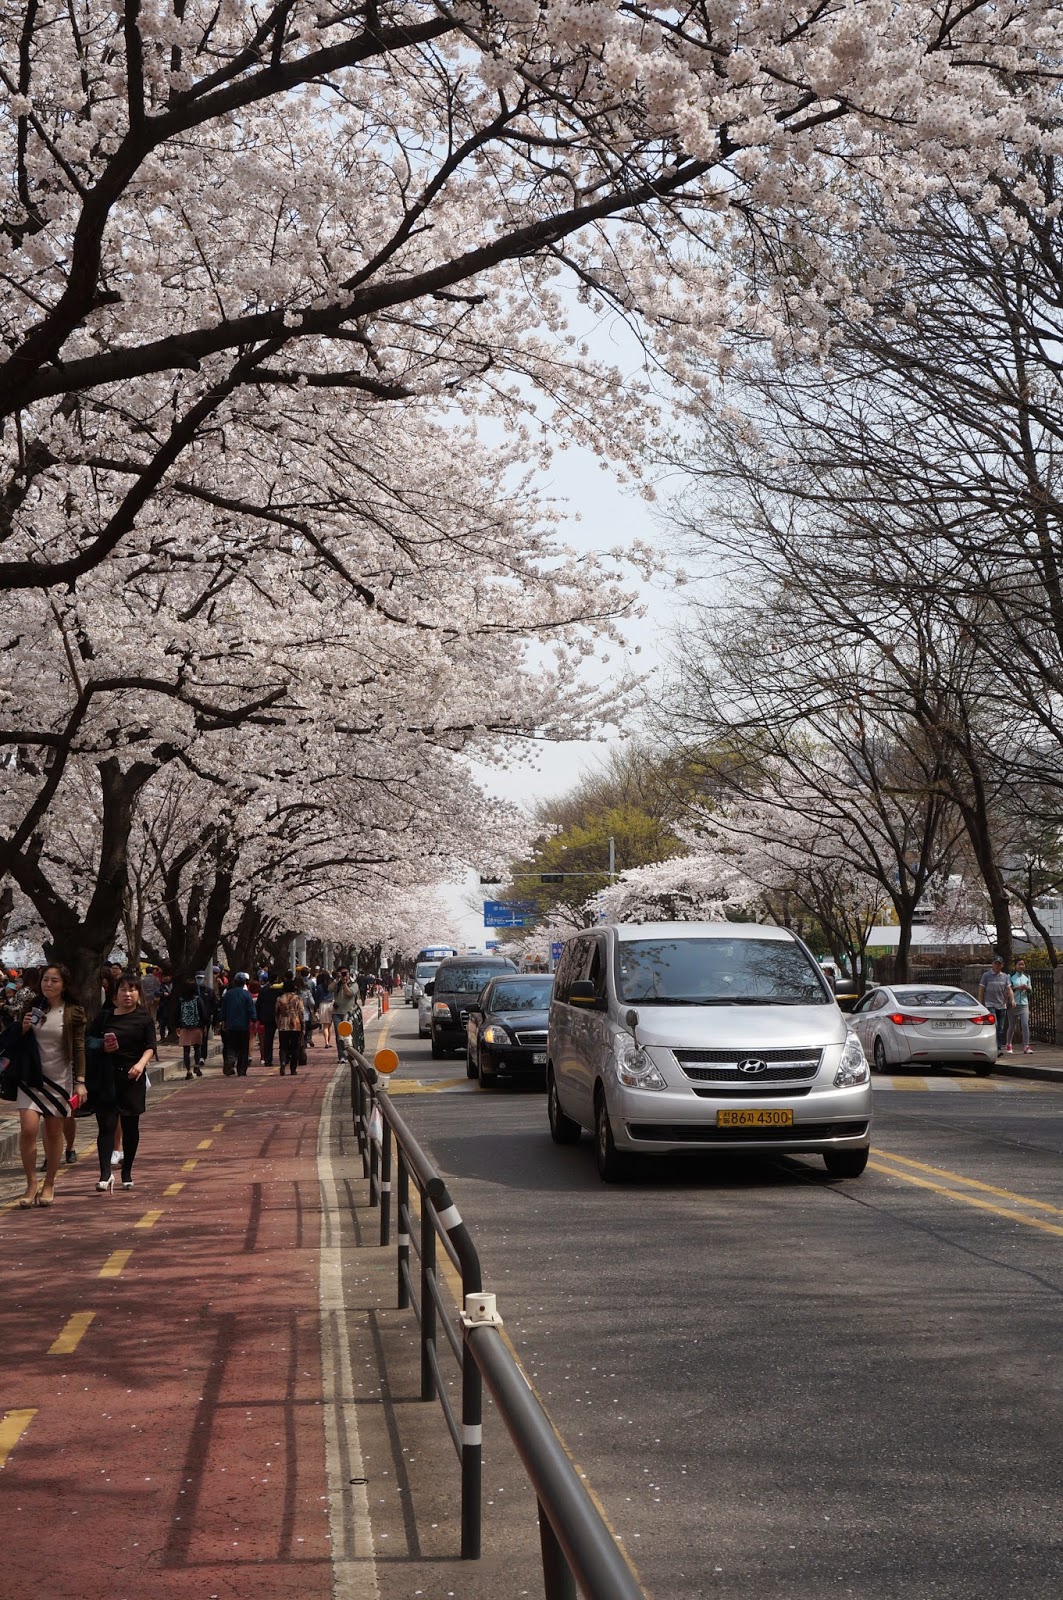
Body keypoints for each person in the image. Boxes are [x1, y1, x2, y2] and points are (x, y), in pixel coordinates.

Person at [15, 964, 86, 1208]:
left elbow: (78, 1048)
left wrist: (80, 1082)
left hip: (59, 1079)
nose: (48, 984)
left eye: (54, 980)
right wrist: (22, 1029)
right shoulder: (33, 1007)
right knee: (28, 1129)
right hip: (31, 1078)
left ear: (64, 984)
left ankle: (50, 1182)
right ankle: (31, 1182)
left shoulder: (73, 1012)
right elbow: (18, 1041)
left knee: (54, 1132)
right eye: (45, 980)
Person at [86, 970, 155, 1192]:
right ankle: (105, 1173)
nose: (128, 994)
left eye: (132, 989)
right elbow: (88, 1040)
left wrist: (141, 1064)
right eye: (123, 989)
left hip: (132, 1077)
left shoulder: (144, 1017)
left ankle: (127, 1172)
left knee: (130, 1126)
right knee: (105, 1126)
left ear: (138, 993)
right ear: (115, 994)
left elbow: (150, 1046)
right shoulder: (105, 1016)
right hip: (106, 1077)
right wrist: (101, 1045)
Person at [218, 972, 257, 1076]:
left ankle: (230, 1059)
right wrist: (254, 1019)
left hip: (230, 1026)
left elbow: (223, 1010)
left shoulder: (228, 994)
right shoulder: (247, 995)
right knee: (244, 1049)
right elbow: (251, 1010)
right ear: (244, 982)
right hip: (244, 1026)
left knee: (231, 1046)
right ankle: (241, 1070)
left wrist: (222, 1021)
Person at [978, 956, 1014, 1057]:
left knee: (1001, 1028)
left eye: (999, 964)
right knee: (995, 1025)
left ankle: (998, 1048)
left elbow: (1009, 989)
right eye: (995, 963)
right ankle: (994, 1046)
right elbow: (981, 989)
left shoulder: (1005, 976)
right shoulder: (986, 976)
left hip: (1001, 1005)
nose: (997, 966)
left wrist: (1012, 999)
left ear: (1002, 965)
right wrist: (981, 1003)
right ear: (993, 964)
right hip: (990, 1003)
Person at [176, 978, 209, 1077]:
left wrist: (177, 1026)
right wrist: (204, 1026)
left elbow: (177, 1014)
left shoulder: (180, 1000)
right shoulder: (197, 999)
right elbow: (203, 1014)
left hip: (184, 1027)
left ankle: (188, 1071)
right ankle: (196, 1066)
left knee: (186, 1050)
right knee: (197, 1047)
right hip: (197, 1026)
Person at [275, 978, 304, 1076]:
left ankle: (283, 1062)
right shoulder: (297, 998)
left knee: (283, 1046)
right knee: (295, 1047)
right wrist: (303, 1025)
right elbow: (301, 1012)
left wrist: (278, 1023)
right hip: (295, 1024)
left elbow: (276, 1012)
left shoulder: (279, 999)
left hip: (283, 1024)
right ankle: (293, 1069)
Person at [1007, 958, 1033, 1054]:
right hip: (1013, 1004)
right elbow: (1008, 989)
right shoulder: (1011, 976)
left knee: (1025, 1025)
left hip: (1024, 1004)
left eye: (1023, 964)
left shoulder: (1027, 977)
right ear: (1015, 966)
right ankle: (1009, 1044)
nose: (1021, 966)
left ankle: (1026, 1046)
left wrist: (1027, 988)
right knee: (1012, 1025)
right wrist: (1017, 988)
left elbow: (1031, 991)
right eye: (1019, 964)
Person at [332, 968, 360, 1059]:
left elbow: (349, 994)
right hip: (336, 1013)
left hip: (348, 1013)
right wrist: (336, 980)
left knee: (349, 1035)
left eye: (345, 973)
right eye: (342, 973)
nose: (344, 975)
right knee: (339, 1035)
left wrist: (344, 983)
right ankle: (341, 1055)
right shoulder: (337, 984)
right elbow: (329, 988)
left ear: (349, 973)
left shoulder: (354, 984)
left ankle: (351, 1054)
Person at [315, 970, 335, 1048]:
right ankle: (329, 1042)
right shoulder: (331, 986)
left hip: (323, 1005)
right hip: (331, 1004)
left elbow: (316, 997)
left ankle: (326, 1042)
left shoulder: (319, 987)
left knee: (325, 1025)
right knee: (330, 1025)